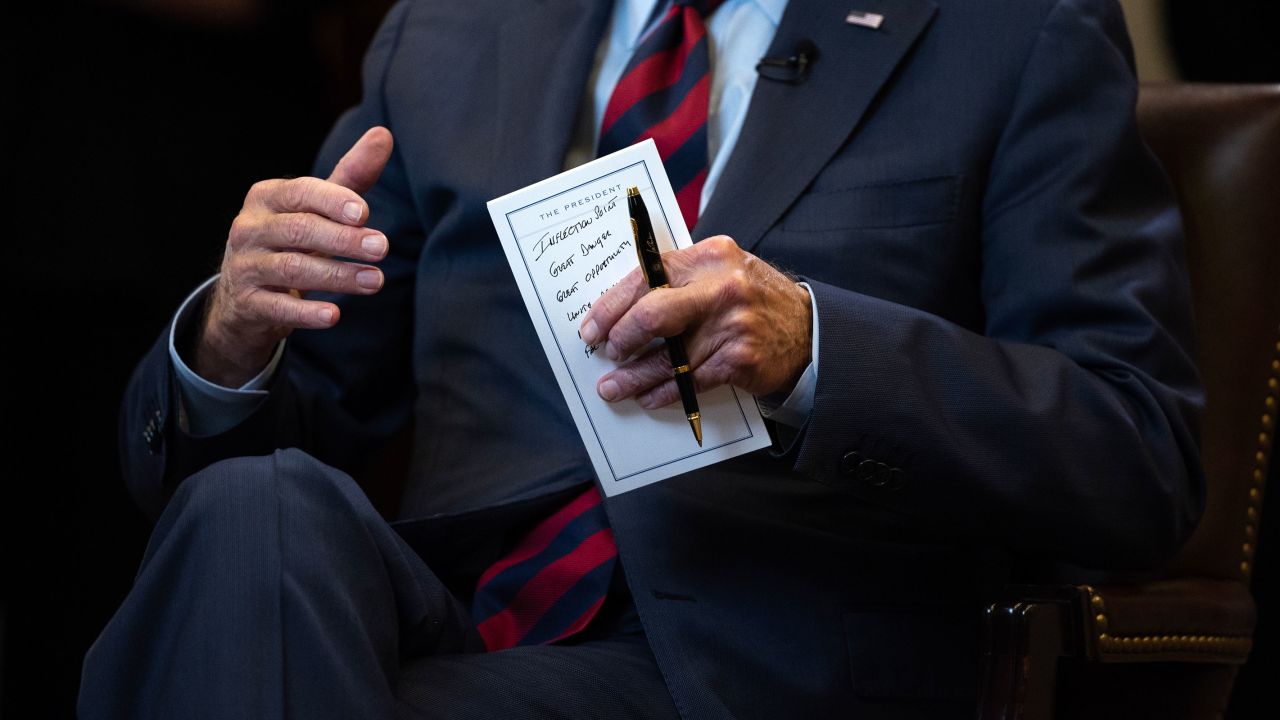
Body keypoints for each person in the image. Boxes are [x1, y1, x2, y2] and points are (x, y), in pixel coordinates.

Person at [82, 0, 1205, 717]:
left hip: (757, 646)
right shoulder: (448, 34)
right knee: (245, 507)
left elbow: (1136, 454)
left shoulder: (1007, 31)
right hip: (454, 610)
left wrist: (819, 351)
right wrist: (230, 341)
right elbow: (282, 425)